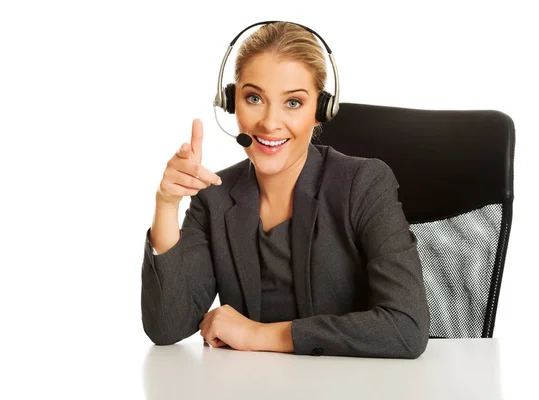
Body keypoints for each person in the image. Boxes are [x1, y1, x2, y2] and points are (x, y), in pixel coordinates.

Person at [141, 21, 430, 358]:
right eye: (254, 98)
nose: (270, 123)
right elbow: (166, 327)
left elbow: (405, 328)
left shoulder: (364, 184)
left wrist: (258, 335)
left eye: (293, 103)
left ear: (321, 111)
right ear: (231, 102)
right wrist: (166, 204)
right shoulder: (214, 197)